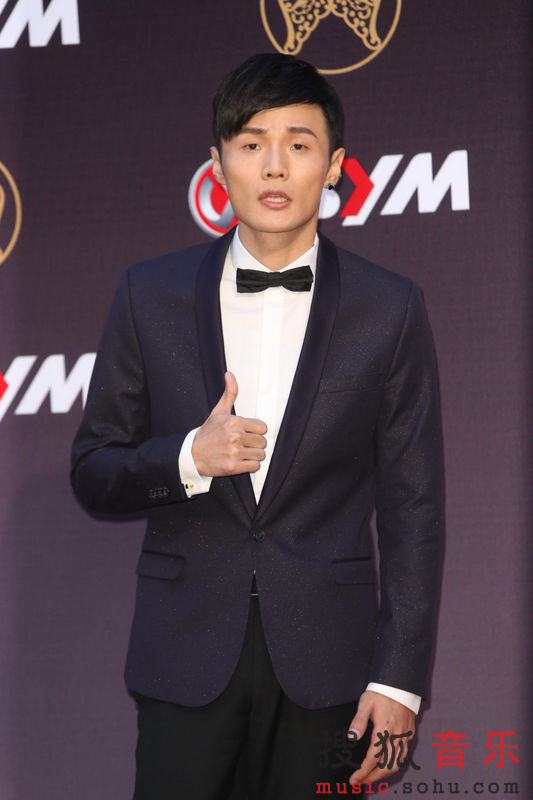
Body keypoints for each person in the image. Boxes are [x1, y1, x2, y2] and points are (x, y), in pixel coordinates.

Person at [70, 53, 444, 800]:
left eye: (298, 144)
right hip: (183, 658)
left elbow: (415, 507)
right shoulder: (149, 293)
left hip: (328, 670)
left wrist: (398, 683)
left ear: (333, 166)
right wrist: (188, 458)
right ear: (217, 164)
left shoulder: (389, 307)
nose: (274, 166)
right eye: (250, 143)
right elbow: (94, 469)